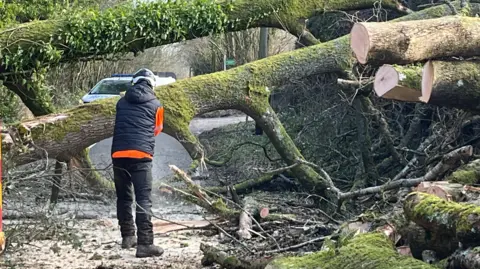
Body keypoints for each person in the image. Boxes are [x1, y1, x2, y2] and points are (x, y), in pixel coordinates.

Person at [110, 68, 164, 258]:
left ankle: (127, 237)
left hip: (118, 154)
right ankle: (145, 244)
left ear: (134, 83)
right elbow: (157, 129)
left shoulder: (121, 102)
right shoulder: (156, 104)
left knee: (124, 197)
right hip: (141, 155)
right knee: (143, 199)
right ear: (152, 84)